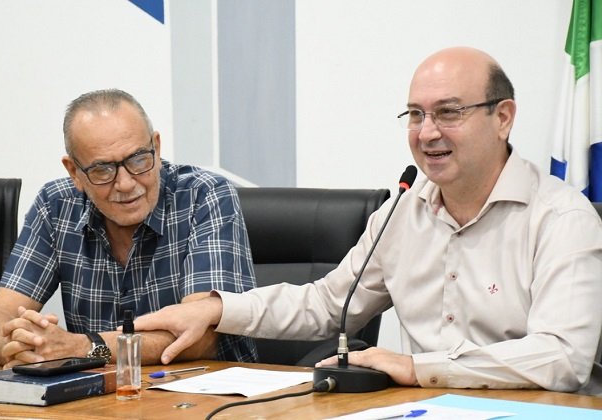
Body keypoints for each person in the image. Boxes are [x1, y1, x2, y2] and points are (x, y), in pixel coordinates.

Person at [130, 47, 602, 393]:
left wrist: (418, 368)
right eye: (415, 115)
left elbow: (563, 357)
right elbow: (327, 304)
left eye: (449, 113)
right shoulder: (402, 214)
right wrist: (218, 310)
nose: (427, 133)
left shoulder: (561, 218)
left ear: (503, 118)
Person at [0, 89, 257, 368]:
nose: (125, 184)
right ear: (74, 172)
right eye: (103, 170)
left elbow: (202, 337)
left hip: (205, 389)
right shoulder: (56, 205)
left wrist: (82, 348)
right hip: (98, 391)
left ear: (157, 147)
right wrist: (19, 342)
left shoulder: (204, 195)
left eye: (138, 160)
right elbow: (0, 314)